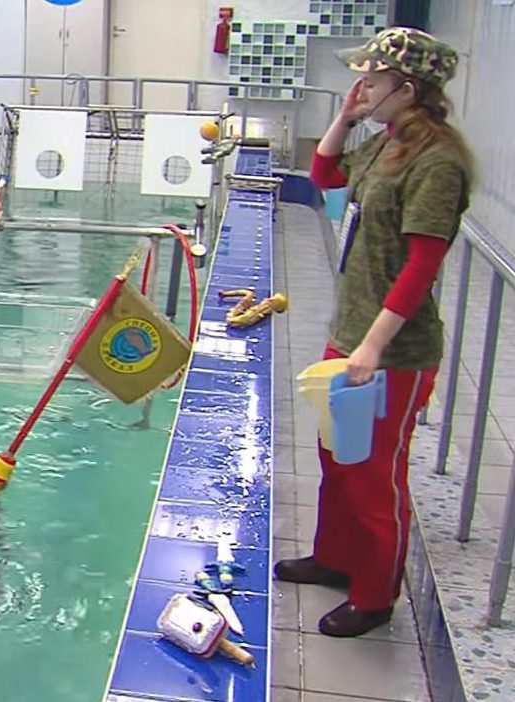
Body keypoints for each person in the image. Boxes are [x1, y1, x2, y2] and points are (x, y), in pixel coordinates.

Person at [274, 27, 474, 637]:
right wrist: (346, 116)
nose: (363, 86)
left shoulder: (436, 161)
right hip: (354, 335)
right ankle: (335, 557)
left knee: (373, 475)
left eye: (374, 80)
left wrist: (372, 347)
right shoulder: (387, 144)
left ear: (407, 89)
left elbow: (422, 264)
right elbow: (325, 176)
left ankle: (376, 592)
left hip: (393, 352)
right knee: (336, 457)